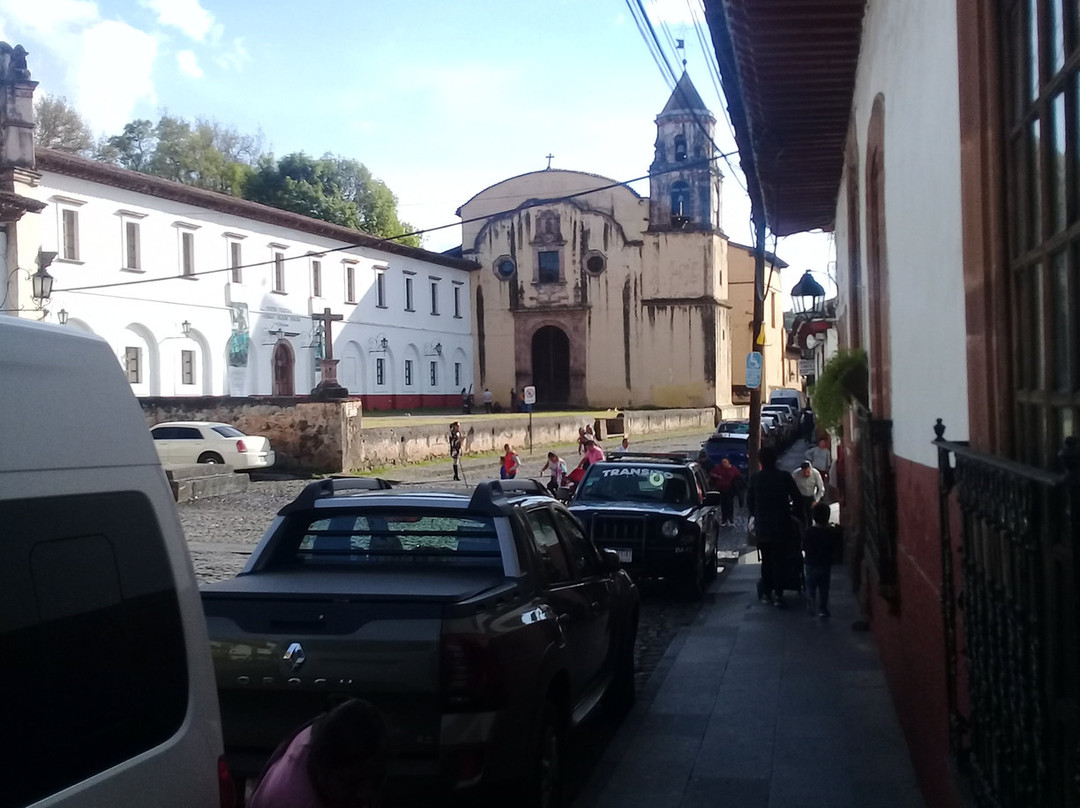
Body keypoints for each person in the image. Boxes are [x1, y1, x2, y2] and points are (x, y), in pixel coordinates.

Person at [247, 698, 390, 808]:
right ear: (324, 768)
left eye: (375, 779)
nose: (364, 793)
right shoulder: (290, 799)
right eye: (353, 782)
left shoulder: (324, 731)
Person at [746, 446, 802, 607]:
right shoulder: (784, 477)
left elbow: (750, 502)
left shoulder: (756, 479)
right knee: (779, 560)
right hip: (782, 525)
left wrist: (757, 514)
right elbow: (797, 498)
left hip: (763, 526)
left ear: (761, 461)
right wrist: (793, 513)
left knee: (766, 561)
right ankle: (778, 594)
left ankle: (767, 593)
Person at [803, 501, 835, 618]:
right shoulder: (830, 532)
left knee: (811, 587)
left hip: (811, 564)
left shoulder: (809, 531)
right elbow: (833, 547)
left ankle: (811, 606)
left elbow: (804, 546)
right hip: (825, 564)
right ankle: (823, 609)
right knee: (824, 588)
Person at [709, 457, 741, 527]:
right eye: (723, 462)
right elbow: (712, 473)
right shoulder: (719, 468)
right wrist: (717, 476)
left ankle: (730, 519)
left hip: (730, 489)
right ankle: (724, 520)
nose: (724, 464)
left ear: (728, 462)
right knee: (723, 505)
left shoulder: (733, 469)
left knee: (730, 504)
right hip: (721, 489)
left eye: (725, 462)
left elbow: (738, 477)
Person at [792, 460, 825, 526]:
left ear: (810, 469)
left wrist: (816, 500)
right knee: (800, 517)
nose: (806, 474)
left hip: (811, 497)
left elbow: (821, 488)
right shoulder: (796, 474)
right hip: (800, 497)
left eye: (808, 472)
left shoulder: (815, 473)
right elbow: (791, 487)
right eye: (804, 472)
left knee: (810, 517)